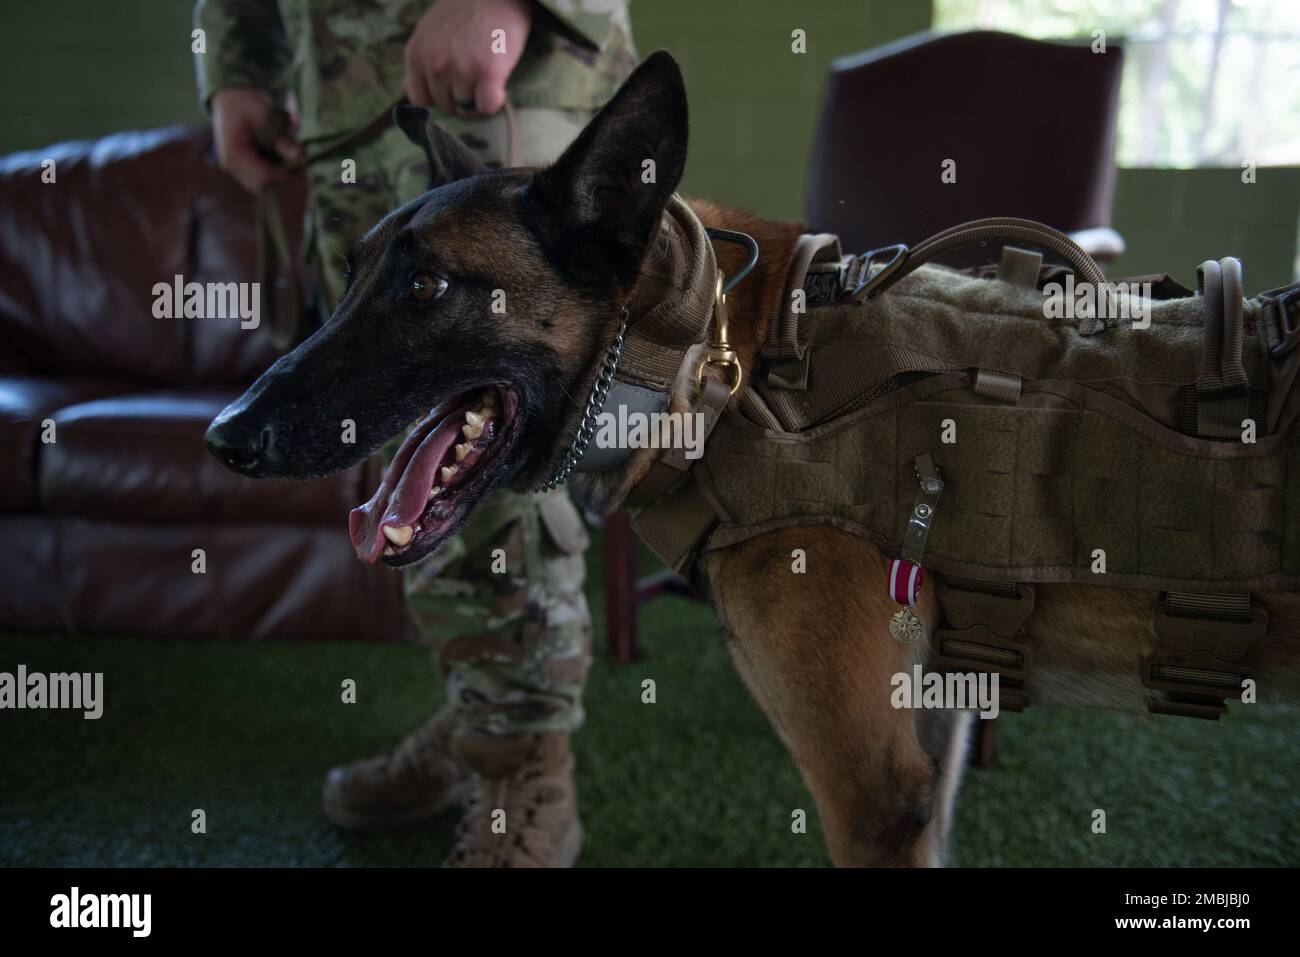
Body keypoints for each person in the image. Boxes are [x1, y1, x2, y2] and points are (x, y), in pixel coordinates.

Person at [194, 0, 636, 867]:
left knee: (506, 407)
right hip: (337, 105)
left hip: (503, 67)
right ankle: (482, 706)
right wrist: (241, 62)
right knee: (415, 418)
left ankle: (523, 762)